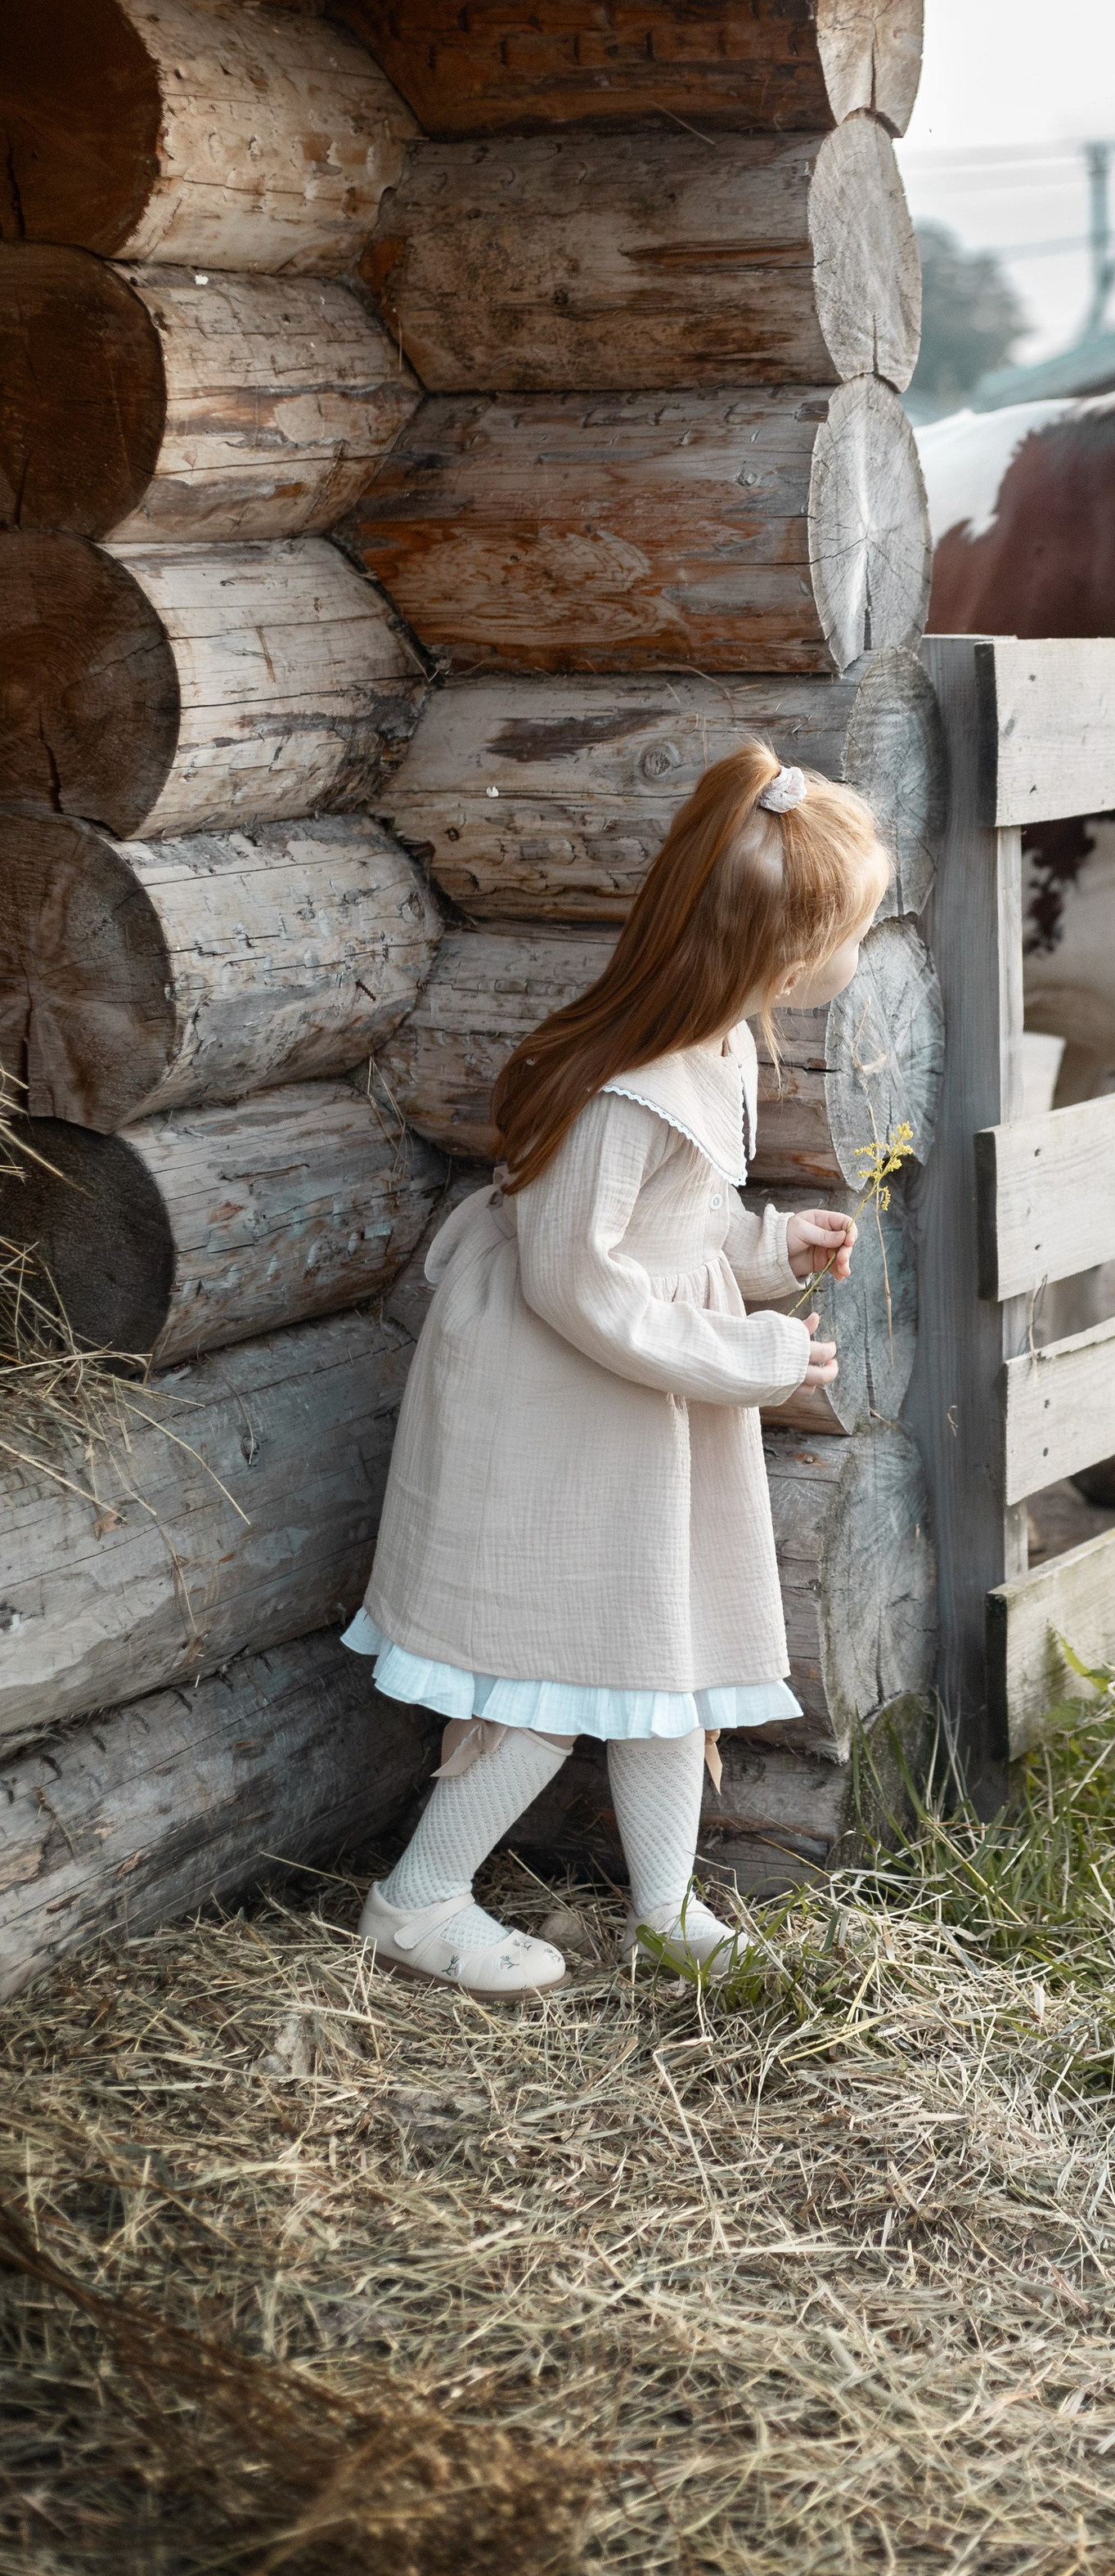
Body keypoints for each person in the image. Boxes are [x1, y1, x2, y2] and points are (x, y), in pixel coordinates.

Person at [343, 742, 889, 2001]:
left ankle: (666, 1905)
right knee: (542, 1674)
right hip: (554, 1412)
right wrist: (750, 1355)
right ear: (781, 957)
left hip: (634, 1404)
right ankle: (416, 1902)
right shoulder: (624, 1098)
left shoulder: (721, 1048)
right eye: (849, 934)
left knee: (661, 1656)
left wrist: (767, 1250)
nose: (855, 955)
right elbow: (575, 1283)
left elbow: (668, 1237)